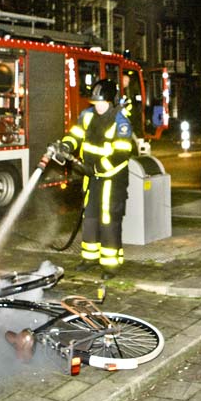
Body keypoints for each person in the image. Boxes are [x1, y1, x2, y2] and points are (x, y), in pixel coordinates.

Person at [57, 79, 133, 280]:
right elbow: (75, 134)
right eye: (95, 103)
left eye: (102, 103)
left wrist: (95, 169)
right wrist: (66, 146)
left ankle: (110, 265)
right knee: (89, 217)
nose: (98, 106)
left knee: (108, 220)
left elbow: (121, 154)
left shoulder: (121, 122)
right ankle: (89, 258)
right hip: (91, 177)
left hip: (112, 178)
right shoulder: (87, 116)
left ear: (111, 101)